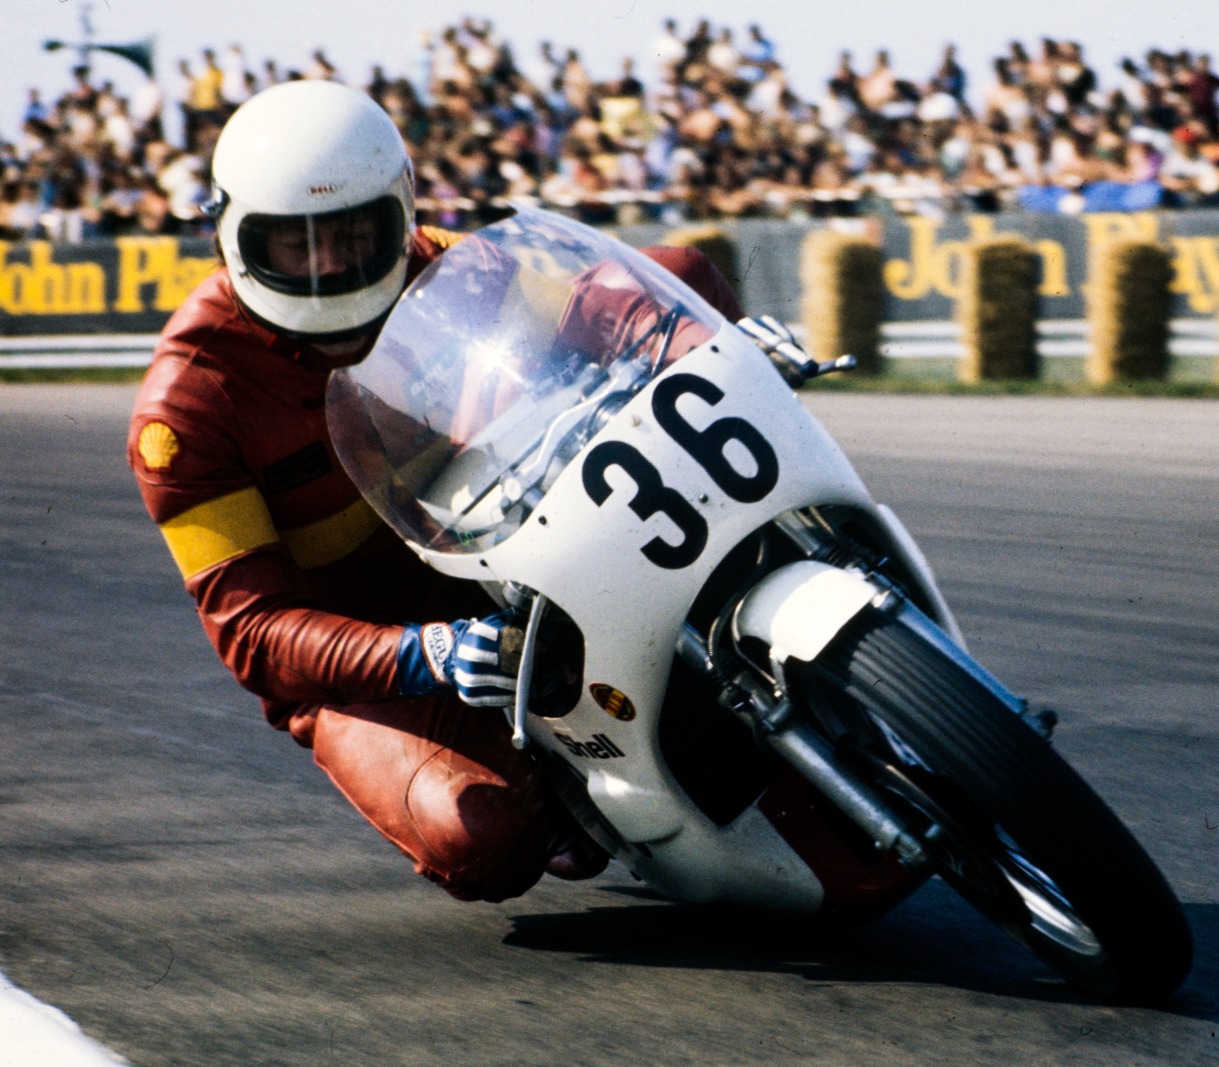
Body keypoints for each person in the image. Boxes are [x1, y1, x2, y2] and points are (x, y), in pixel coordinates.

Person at [126, 80, 763, 903]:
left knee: (677, 274)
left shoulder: (453, 266)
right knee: (483, 836)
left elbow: (606, 300)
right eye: (294, 245)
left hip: (517, 555)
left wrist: (710, 342)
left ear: (399, 212)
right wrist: (418, 653)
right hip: (376, 656)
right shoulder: (186, 409)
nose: (326, 269)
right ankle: (559, 784)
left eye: (353, 233)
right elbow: (256, 634)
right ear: (233, 238)